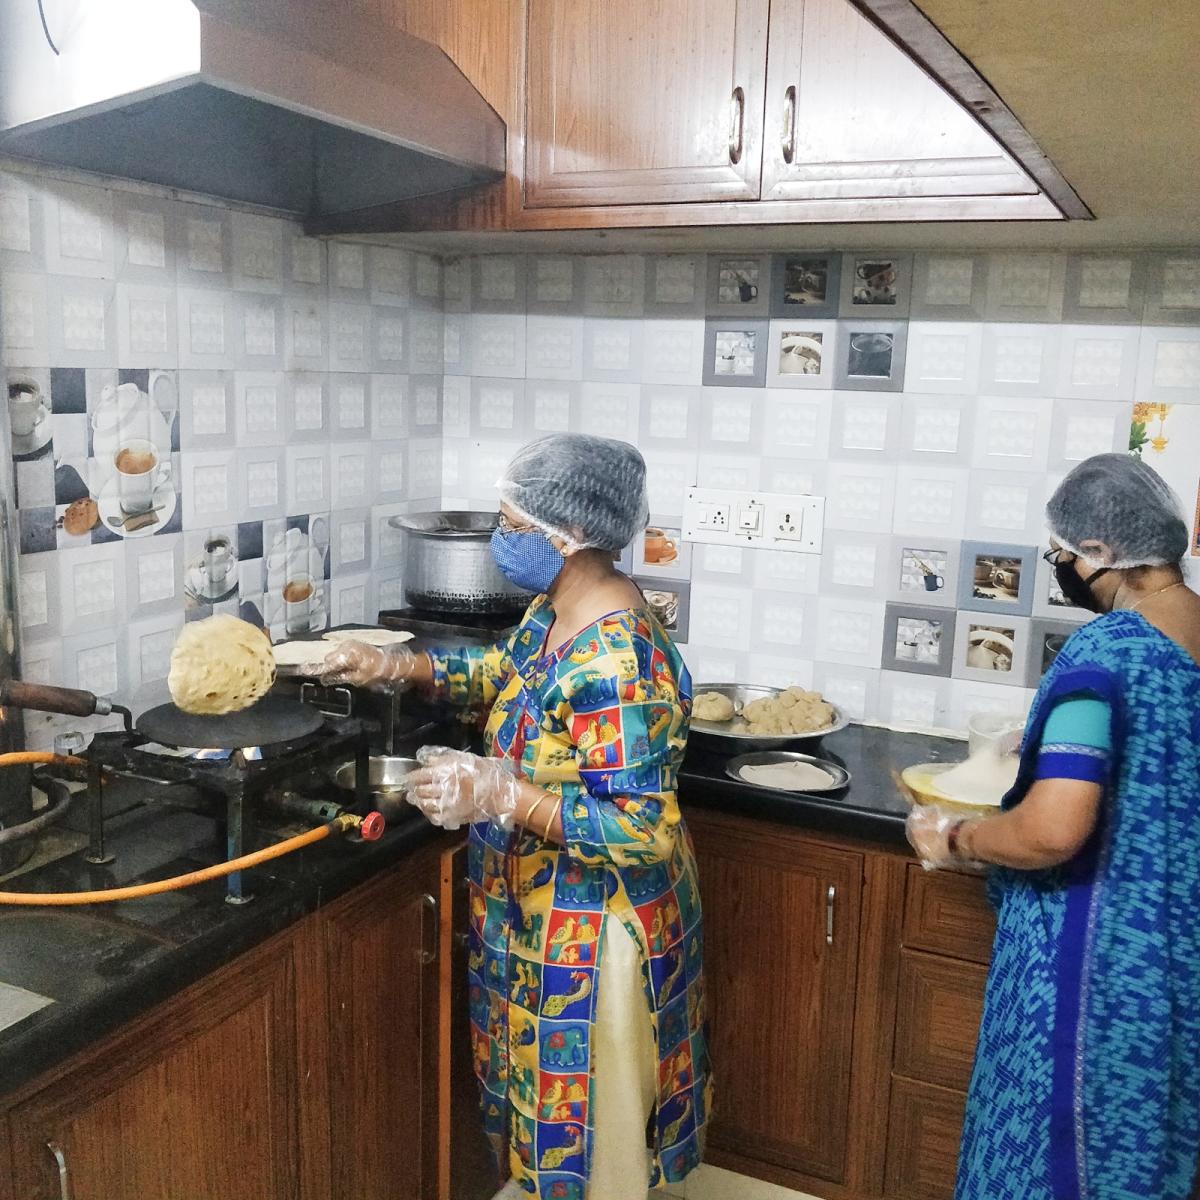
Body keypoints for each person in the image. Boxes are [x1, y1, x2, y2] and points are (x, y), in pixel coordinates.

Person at [324, 433, 711, 1200]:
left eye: (510, 525)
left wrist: (503, 796)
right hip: (538, 918)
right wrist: (397, 665)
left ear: (571, 533)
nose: (501, 540)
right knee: (547, 1135)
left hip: (595, 939)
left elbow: (641, 828)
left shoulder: (618, 661)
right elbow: (504, 668)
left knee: (595, 1156)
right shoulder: (558, 608)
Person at [907, 453, 1200, 1200]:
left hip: (1089, 976)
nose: (1061, 568)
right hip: (1178, 967)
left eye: (1061, 554)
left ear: (1099, 551)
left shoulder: (1104, 652)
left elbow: (1052, 830)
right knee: (1143, 1164)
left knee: (1052, 1164)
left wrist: (955, 838)